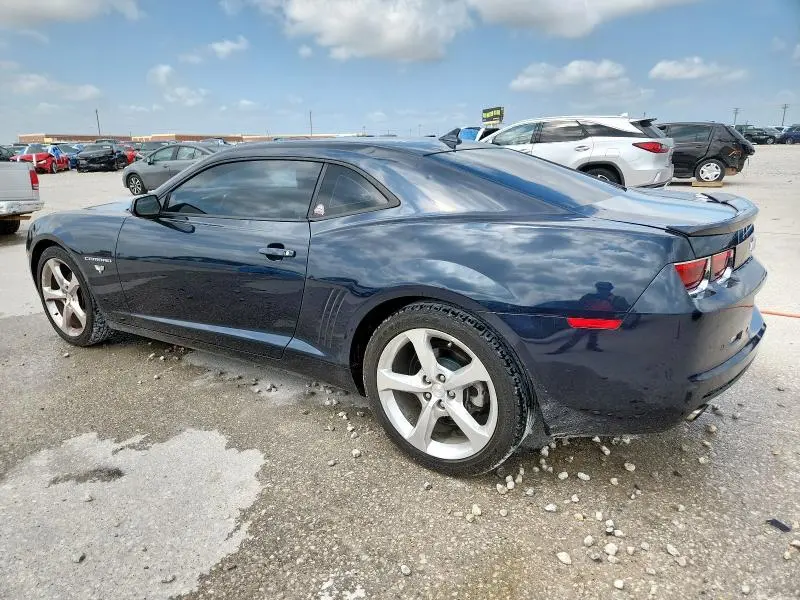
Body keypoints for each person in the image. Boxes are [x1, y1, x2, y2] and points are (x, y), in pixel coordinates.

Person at [548, 282, 629, 354]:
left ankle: (591, 346)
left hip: (600, 320)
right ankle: (562, 349)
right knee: (577, 336)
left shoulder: (613, 299)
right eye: (601, 289)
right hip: (586, 319)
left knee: (594, 334)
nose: (603, 291)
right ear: (598, 289)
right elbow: (579, 305)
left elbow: (620, 308)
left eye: (605, 289)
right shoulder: (589, 296)